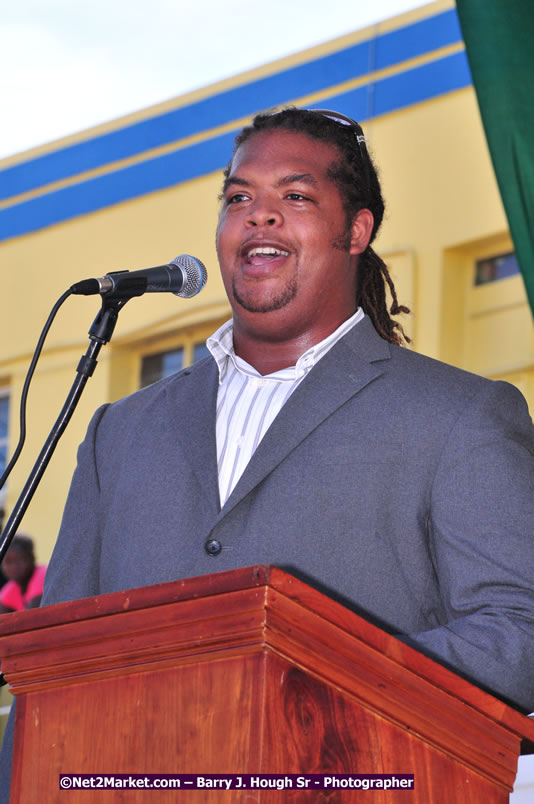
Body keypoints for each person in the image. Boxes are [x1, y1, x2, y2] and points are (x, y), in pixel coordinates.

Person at [1, 107, 533, 795]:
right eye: (238, 198)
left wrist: (315, 677)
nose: (260, 216)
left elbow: (518, 630)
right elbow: (56, 670)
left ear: (357, 231)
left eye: (296, 196)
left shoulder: (458, 416)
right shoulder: (119, 432)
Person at [0, 534, 46, 613]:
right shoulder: (11, 588)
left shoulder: (43, 575)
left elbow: (33, 616)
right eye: (8, 561)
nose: (13, 566)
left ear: (32, 558)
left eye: (18, 560)